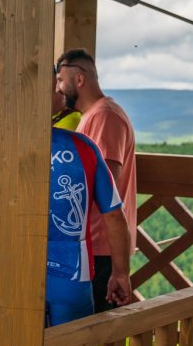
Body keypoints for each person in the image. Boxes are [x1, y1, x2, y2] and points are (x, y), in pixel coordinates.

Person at [55, 49, 137, 313]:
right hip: (92, 243)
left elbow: (104, 186)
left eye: (60, 80)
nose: (57, 89)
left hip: (101, 244)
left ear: (79, 79)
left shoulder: (104, 116)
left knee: (91, 326)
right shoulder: (94, 116)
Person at [46, 127, 133, 327]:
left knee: (17, 343)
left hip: (14, 265)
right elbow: (114, 215)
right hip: (73, 269)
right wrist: (120, 273)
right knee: (74, 343)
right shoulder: (82, 146)